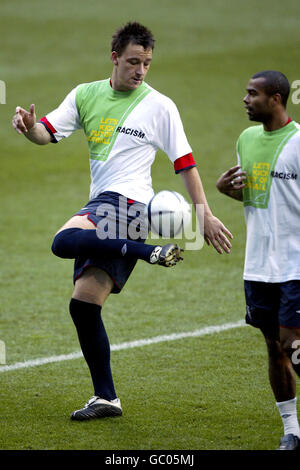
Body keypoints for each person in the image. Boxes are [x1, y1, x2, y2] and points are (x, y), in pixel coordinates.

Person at [12, 22, 232, 421]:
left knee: (62, 242)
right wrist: (30, 129)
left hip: (130, 205)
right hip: (102, 202)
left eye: (147, 63)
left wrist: (206, 215)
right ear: (115, 58)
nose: (141, 70)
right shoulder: (86, 94)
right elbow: (46, 132)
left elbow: (185, 164)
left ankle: (147, 252)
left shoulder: (160, 106)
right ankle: (107, 399)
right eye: (133, 61)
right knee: (83, 306)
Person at [216, 70, 300, 450]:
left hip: (296, 264)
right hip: (259, 266)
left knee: (291, 344)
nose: (245, 100)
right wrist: (225, 191)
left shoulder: (298, 143)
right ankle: (292, 431)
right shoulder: (246, 139)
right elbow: (258, 197)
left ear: (276, 99)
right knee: (273, 347)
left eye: (252, 94)